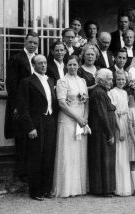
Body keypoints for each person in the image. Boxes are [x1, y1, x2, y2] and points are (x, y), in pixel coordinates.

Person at [17, 54, 57, 201]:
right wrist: (30, 128)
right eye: (40, 63)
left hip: (50, 121)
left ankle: (46, 189)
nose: (43, 65)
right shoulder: (27, 82)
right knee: (36, 157)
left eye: (45, 63)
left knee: (48, 155)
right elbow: (23, 108)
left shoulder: (51, 80)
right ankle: (36, 191)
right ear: (33, 65)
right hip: (36, 123)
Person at [53, 55, 89, 197]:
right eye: (70, 65)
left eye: (75, 64)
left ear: (79, 65)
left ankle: (78, 188)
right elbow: (62, 103)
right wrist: (78, 118)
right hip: (68, 120)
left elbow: (86, 101)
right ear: (65, 66)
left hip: (81, 120)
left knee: (79, 152)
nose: (72, 67)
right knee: (68, 152)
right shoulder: (62, 81)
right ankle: (66, 188)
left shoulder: (82, 81)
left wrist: (85, 118)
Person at [5, 32, 39, 180]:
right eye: (30, 42)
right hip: (21, 104)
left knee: (33, 137)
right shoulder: (16, 59)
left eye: (35, 43)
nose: (32, 45)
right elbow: (11, 85)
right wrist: (16, 106)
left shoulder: (38, 59)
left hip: (35, 105)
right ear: (25, 42)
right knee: (21, 138)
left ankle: (31, 172)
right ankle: (21, 174)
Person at [88, 68, 117, 197]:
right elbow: (102, 114)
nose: (111, 81)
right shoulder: (99, 92)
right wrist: (109, 133)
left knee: (105, 159)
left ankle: (106, 188)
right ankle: (102, 189)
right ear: (101, 80)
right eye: (109, 79)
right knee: (102, 159)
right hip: (101, 131)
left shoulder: (102, 91)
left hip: (104, 130)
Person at [109, 71, 132, 196]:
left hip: (125, 121)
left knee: (125, 153)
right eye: (119, 79)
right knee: (119, 153)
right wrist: (120, 128)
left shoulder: (125, 93)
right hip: (118, 122)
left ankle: (126, 185)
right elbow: (113, 112)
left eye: (123, 79)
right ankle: (118, 186)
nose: (121, 82)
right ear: (115, 80)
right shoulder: (112, 92)